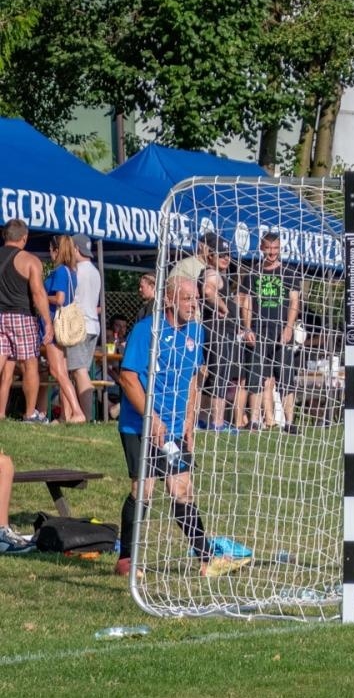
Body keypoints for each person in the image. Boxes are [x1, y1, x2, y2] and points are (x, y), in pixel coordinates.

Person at [116, 275, 252, 578]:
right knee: (144, 491)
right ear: (169, 300)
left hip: (175, 430)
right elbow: (128, 379)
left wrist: (189, 421)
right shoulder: (146, 330)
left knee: (182, 490)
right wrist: (152, 418)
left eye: (196, 298)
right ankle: (127, 559)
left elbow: (192, 378)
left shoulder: (195, 331)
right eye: (187, 298)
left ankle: (206, 558)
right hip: (140, 426)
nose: (194, 304)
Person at [237, 231, 303, 432]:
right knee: (255, 376)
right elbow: (246, 302)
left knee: (285, 376)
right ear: (262, 248)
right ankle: (255, 421)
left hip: (281, 330)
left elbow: (294, 302)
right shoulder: (253, 274)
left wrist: (289, 328)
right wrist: (247, 327)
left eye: (275, 248)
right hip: (259, 330)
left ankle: (289, 423)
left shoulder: (289, 273)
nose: (272, 252)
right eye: (269, 248)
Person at [0, 220, 55, 423]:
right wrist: (47, 322)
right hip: (22, 315)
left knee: (4, 366)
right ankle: (30, 413)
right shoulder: (30, 260)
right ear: (24, 238)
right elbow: (38, 294)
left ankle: (1, 413)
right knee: (30, 364)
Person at [195, 235, 247, 432]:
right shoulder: (212, 273)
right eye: (221, 255)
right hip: (218, 332)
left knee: (213, 376)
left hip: (218, 331)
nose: (226, 258)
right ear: (211, 256)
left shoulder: (217, 273)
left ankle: (202, 418)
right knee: (221, 375)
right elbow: (208, 291)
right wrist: (224, 308)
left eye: (228, 255)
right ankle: (217, 422)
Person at [41, 235, 86, 423]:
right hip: (62, 325)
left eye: (51, 250)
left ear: (56, 250)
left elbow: (59, 299)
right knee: (62, 371)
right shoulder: (71, 272)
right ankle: (67, 415)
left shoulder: (59, 272)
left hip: (53, 323)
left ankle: (77, 412)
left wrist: (41, 297)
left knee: (56, 370)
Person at [67, 234, 101, 417]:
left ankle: (85, 415)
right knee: (82, 370)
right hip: (93, 325)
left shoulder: (76, 272)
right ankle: (78, 413)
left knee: (79, 371)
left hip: (78, 326)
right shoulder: (95, 271)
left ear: (76, 249)